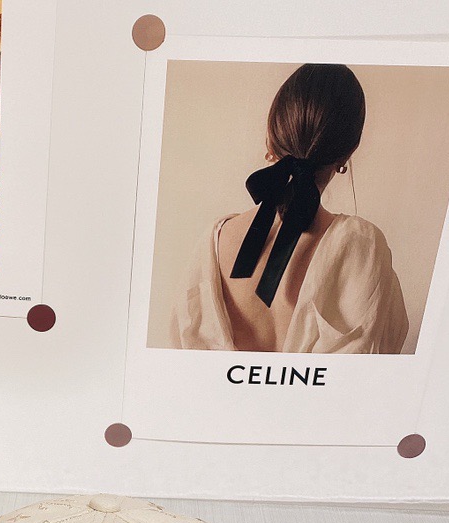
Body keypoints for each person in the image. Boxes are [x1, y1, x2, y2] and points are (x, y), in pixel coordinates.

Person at [170, 64, 409, 353]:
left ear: (270, 138)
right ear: (347, 153)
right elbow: (374, 364)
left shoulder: (215, 241)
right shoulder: (362, 244)